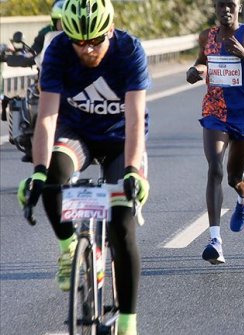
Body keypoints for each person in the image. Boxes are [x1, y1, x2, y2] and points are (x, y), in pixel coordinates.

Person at [17, 0, 150, 334]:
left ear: (109, 30)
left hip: (121, 139)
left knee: (121, 224)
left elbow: (135, 120)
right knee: (50, 179)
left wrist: (133, 170)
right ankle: (69, 248)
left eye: (95, 41)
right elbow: (46, 118)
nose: (88, 50)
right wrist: (36, 169)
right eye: (80, 42)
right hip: (78, 135)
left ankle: (127, 322)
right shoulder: (59, 51)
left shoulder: (130, 51)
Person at [186, 0, 244, 264]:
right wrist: (196, 71)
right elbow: (203, 62)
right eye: (220, 5)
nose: (225, 9)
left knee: (234, 176)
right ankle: (215, 240)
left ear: (240, 7)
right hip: (215, 112)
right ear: (214, 8)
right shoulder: (208, 36)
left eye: (231, 5)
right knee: (215, 167)